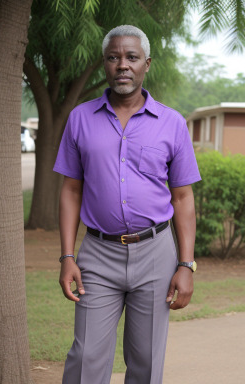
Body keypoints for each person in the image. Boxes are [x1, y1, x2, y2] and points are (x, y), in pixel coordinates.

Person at [53, 25, 201, 384]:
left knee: (146, 362)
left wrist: (186, 265)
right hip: (98, 256)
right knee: (86, 357)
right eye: (114, 57)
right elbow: (71, 191)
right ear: (105, 64)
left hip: (156, 255)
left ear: (145, 64)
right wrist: (67, 256)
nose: (123, 65)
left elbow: (182, 198)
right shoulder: (80, 119)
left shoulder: (172, 123)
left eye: (131, 57)